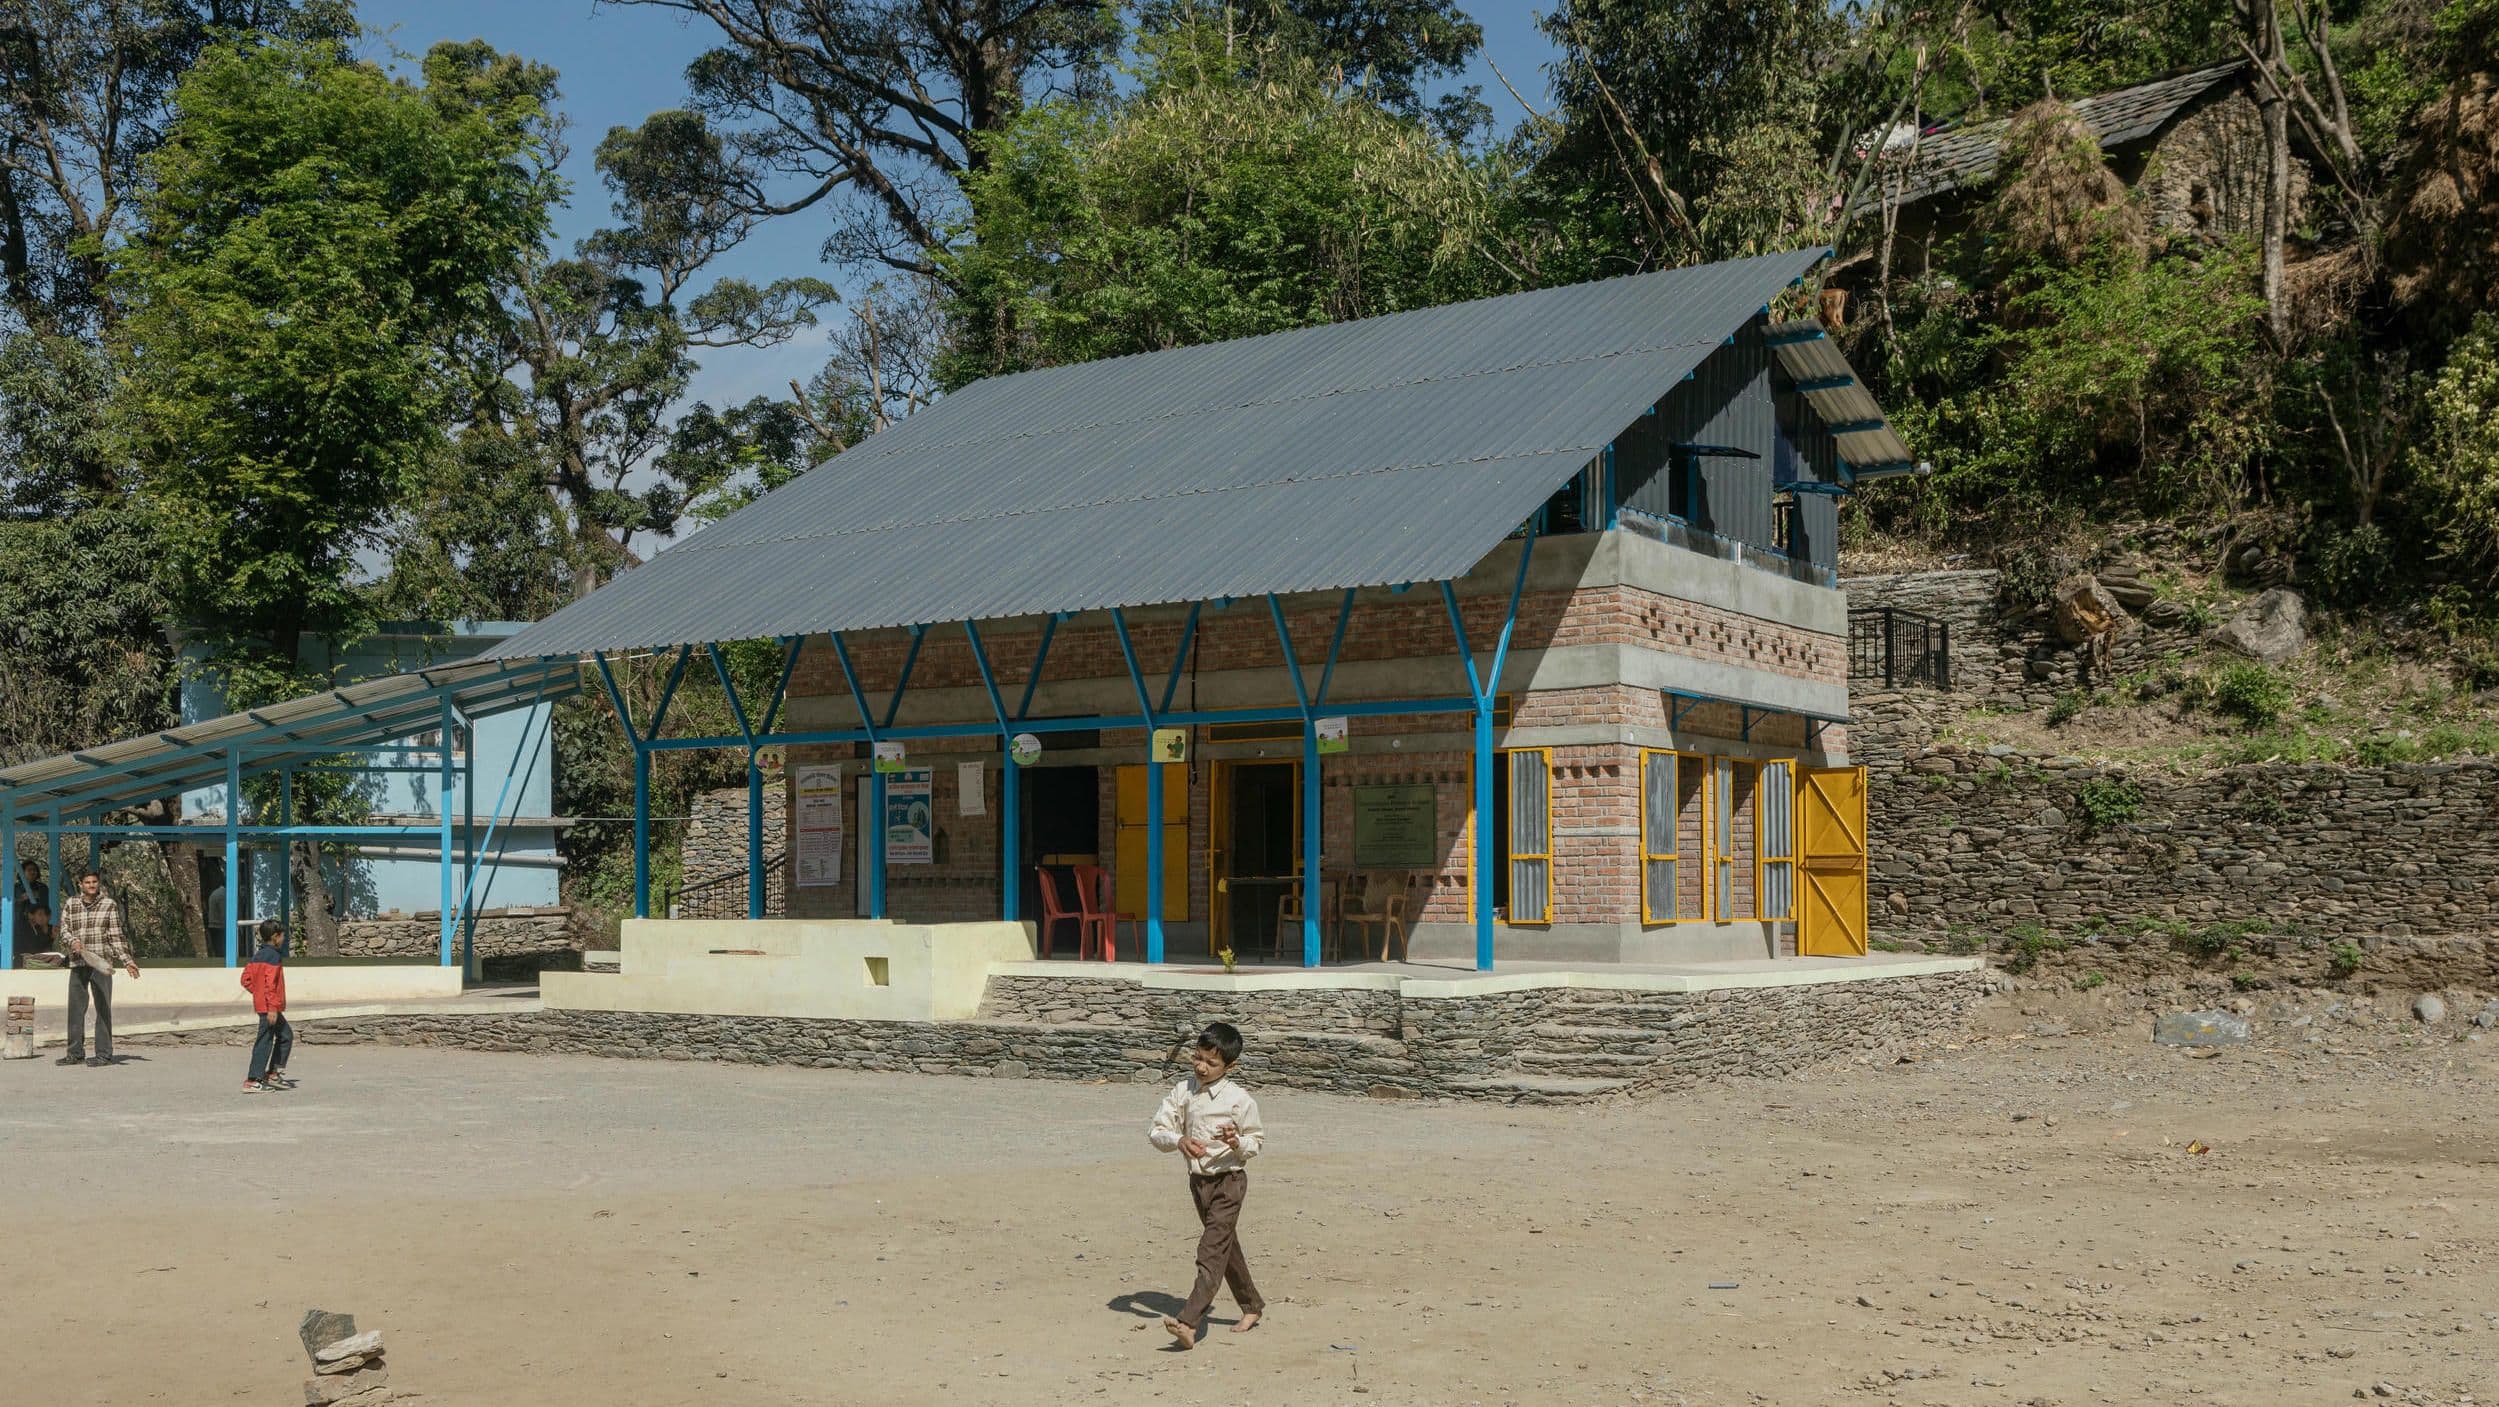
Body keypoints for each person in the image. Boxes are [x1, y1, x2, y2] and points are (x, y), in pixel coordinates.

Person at [1147, 1021, 1266, 1349]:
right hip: (1199, 1184)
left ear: (1230, 1066)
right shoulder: (1182, 1091)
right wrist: (1178, 1139)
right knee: (1226, 1249)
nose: (1202, 1066)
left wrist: (1236, 1142)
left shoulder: (1239, 1100)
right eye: (1198, 1058)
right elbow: (1157, 1130)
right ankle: (1252, 1305)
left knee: (1210, 1250)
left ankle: (1188, 1322)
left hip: (1229, 1182)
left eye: (1211, 1063)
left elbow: (1255, 1141)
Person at [56, 869, 138, 1068]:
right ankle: (75, 1053)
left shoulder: (108, 905)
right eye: (87, 882)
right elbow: (64, 929)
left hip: (102, 964)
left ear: (98, 884)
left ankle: (104, 1054)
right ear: (80, 884)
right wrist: (73, 941)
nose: (91, 885)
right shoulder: (71, 904)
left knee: (103, 1008)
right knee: (76, 1009)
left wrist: (127, 961)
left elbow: (116, 935)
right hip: (78, 962)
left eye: (94, 882)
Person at [239, 919, 293, 1093]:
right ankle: (253, 1080)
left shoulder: (257, 955)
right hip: (270, 1008)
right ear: (275, 937)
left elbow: (245, 980)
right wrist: (271, 1007)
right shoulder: (273, 956)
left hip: (264, 1004)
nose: (284, 938)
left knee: (285, 1035)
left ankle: (273, 1073)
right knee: (265, 1041)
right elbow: (271, 984)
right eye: (283, 935)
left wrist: (259, 994)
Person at [14, 860, 52, 951]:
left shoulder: (42, 887)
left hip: (38, 924)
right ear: (23, 872)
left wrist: (38, 896)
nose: (32, 872)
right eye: (29, 870)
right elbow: (9, 905)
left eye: (34, 870)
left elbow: (46, 905)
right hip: (19, 923)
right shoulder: (16, 888)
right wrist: (21, 899)